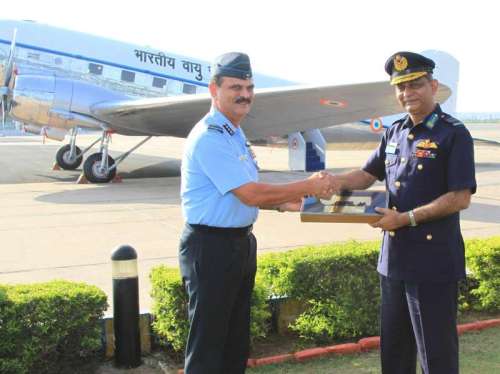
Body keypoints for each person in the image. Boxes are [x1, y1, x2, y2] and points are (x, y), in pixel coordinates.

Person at [179, 52, 333, 374]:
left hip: (238, 245)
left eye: (249, 87)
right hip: (211, 248)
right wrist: (307, 185)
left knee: (235, 341)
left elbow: (247, 192)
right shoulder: (211, 137)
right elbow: (249, 192)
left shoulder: (234, 133)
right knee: (208, 345)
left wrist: (287, 202)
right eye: (236, 86)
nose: (245, 95)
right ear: (213, 89)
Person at [326, 51, 476, 373]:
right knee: (394, 354)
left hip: (433, 262)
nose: (407, 93)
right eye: (401, 87)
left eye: (415, 84)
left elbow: (460, 197)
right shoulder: (394, 132)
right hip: (394, 261)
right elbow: (366, 176)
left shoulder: (454, 134)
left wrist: (406, 218)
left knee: (436, 357)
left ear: (433, 86)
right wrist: (330, 182)